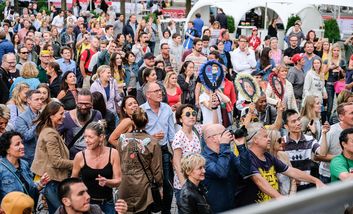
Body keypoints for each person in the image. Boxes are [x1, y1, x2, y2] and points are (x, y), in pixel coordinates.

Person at [236, 123, 324, 207]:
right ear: (255, 140)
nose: (269, 139)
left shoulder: (268, 156)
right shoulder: (246, 159)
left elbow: (291, 171)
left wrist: (316, 181)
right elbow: (258, 181)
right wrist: (279, 197)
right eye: (265, 137)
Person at [117, 107, 163, 213]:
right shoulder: (153, 142)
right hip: (144, 185)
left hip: (125, 183)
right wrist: (159, 186)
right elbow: (157, 169)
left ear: (132, 121)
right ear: (147, 122)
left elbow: (118, 159)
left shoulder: (122, 138)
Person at [31, 101, 73, 213]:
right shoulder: (50, 134)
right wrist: (78, 162)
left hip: (51, 179)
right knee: (63, 210)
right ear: (51, 115)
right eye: (61, 114)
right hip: (52, 180)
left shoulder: (49, 131)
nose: (64, 117)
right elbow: (56, 161)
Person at [71, 121, 121, 214]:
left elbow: (118, 180)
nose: (86, 140)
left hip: (107, 202)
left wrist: (107, 182)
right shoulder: (80, 156)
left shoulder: (113, 153)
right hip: (87, 203)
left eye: (90, 137)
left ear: (101, 137)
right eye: (85, 136)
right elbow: (73, 182)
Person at [141, 82, 175, 214]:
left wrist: (175, 154)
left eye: (160, 90)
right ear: (148, 95)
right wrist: (151, 137)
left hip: (164, 150)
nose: (160, 92)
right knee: (149, 183)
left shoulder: (166, 108)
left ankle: (166, 210)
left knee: (167, 183)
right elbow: (137, 136)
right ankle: (152, 209)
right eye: (156, 91)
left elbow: (172, 134)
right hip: (147, 153)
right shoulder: (141, 110)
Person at [283, 109, 327, 191]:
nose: (298, 123)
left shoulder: (309, 139)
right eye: (293, 121)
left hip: (308, 185)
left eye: (299, 119)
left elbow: (322, 153)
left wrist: (324, 134)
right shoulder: (282, 142)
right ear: (286, 126)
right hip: (290, 188)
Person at [0, 131, 50, 202]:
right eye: (17, 144)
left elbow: (30, 191)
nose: (22, 146)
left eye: (22, 143)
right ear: (7, 149)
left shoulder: (24, 164)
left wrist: (40, 184)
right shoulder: (1, 169)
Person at [59, 89, 103, 159]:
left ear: (92, 103)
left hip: (93, 159)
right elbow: (56, 138)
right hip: (73, 161)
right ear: (76, 102)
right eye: (81, 103)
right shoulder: (66, 117)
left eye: (86, 104)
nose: (83, 107)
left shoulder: (97, 115)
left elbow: (101, 136)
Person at [319, 103, 353, 183]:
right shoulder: (331, 131)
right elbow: (317, 156)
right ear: (341, 117)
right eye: (352, 113)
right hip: (328, 175)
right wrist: (343, 158)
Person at [56, 177, 128, 214]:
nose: (88, 196)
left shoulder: (94, 210)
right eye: (81, 194)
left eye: (86, 192)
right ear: (66, 201)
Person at [15, 89, 42, 165]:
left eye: (41, 99)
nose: (40, 102)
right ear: (28, 101)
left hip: (42, 157)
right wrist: (38, 123)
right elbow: (25, 137)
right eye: (37, 99)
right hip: (29, 159)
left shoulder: (42, 115)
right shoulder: (21, 118)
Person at [267, 130, 296, 195]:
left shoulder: (284, 155)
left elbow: (293, 178)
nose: (282, 142)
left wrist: (292, 194)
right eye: (280, 140)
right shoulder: (265, 160)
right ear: (272, 142)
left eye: (283, 139)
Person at [323, 43, 346, 119]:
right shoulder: (327, 60)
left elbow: (345, 75)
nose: (336, 52)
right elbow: (323, 72)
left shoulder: (342, 61)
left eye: (337, 50)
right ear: (331, 51)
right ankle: (327, 121)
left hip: (339, 84)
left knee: (340, 103)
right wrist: (330, 67)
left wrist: (341, 69)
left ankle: (339, 119)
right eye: (334, 50)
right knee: (330, 104)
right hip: (329, 84)